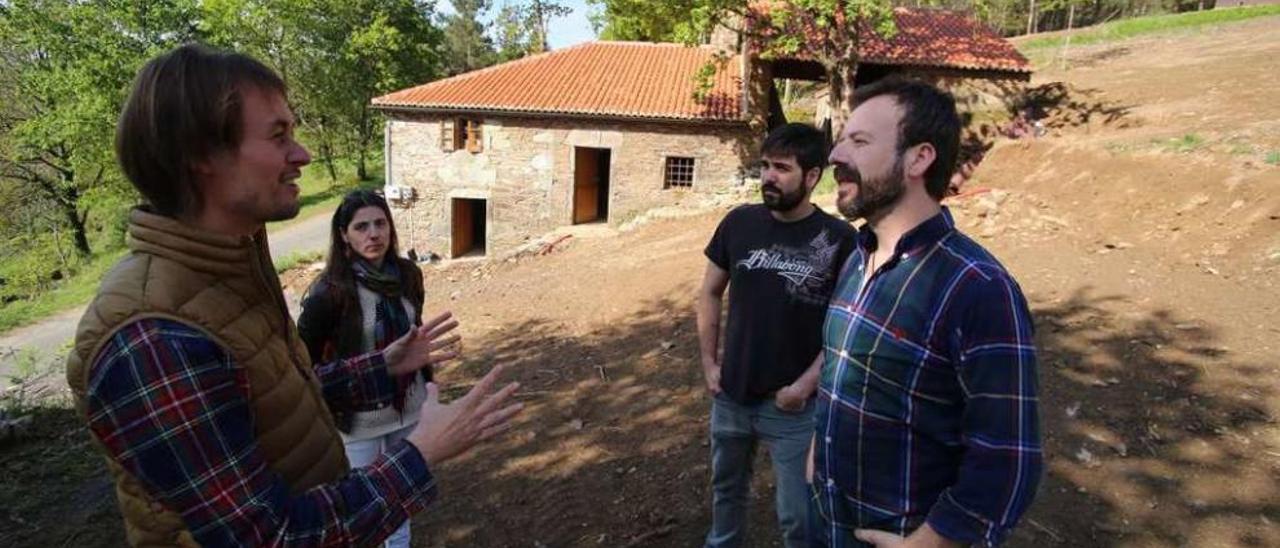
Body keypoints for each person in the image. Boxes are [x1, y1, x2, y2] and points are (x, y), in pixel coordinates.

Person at [64, 43, 522, 547]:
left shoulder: (228, 276)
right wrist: (420, 454)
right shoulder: (153, 338)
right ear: (199, 156)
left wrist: (380, 365)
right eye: (279, 135)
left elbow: (269, 398)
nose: (302, 154)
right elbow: (270, 537)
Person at [810, 77, 1042, 548]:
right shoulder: (857, 256)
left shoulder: (979, 288)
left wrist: (931, 543)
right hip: (830, 521)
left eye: (859, 141)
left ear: (919, 158)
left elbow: (1008, 456)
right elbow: (843, 369)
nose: (835, 156)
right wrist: (820, 447)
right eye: (841, 140)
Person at [697, 123, 857, 548]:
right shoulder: (739, 223)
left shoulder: (841, 240)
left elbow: (849, 324)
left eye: (782, 168)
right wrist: (710, 364)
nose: (768, 176)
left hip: (793, 410)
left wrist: (804, 387)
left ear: (811, 176)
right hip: (731, 396)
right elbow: (710, 293)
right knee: (726, 492)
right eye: (765, 165)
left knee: (799, 518)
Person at [295, 189, 432, 548]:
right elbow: (302, 364)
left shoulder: (407, 275)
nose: (373, 234)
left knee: (400, 501)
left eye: (380, 223)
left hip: (408, 408)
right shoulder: (329, 293)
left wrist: (430, 383)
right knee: (365, 508)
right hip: (359, 420)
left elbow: (416, 334)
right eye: (361, 227)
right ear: (344, 235)